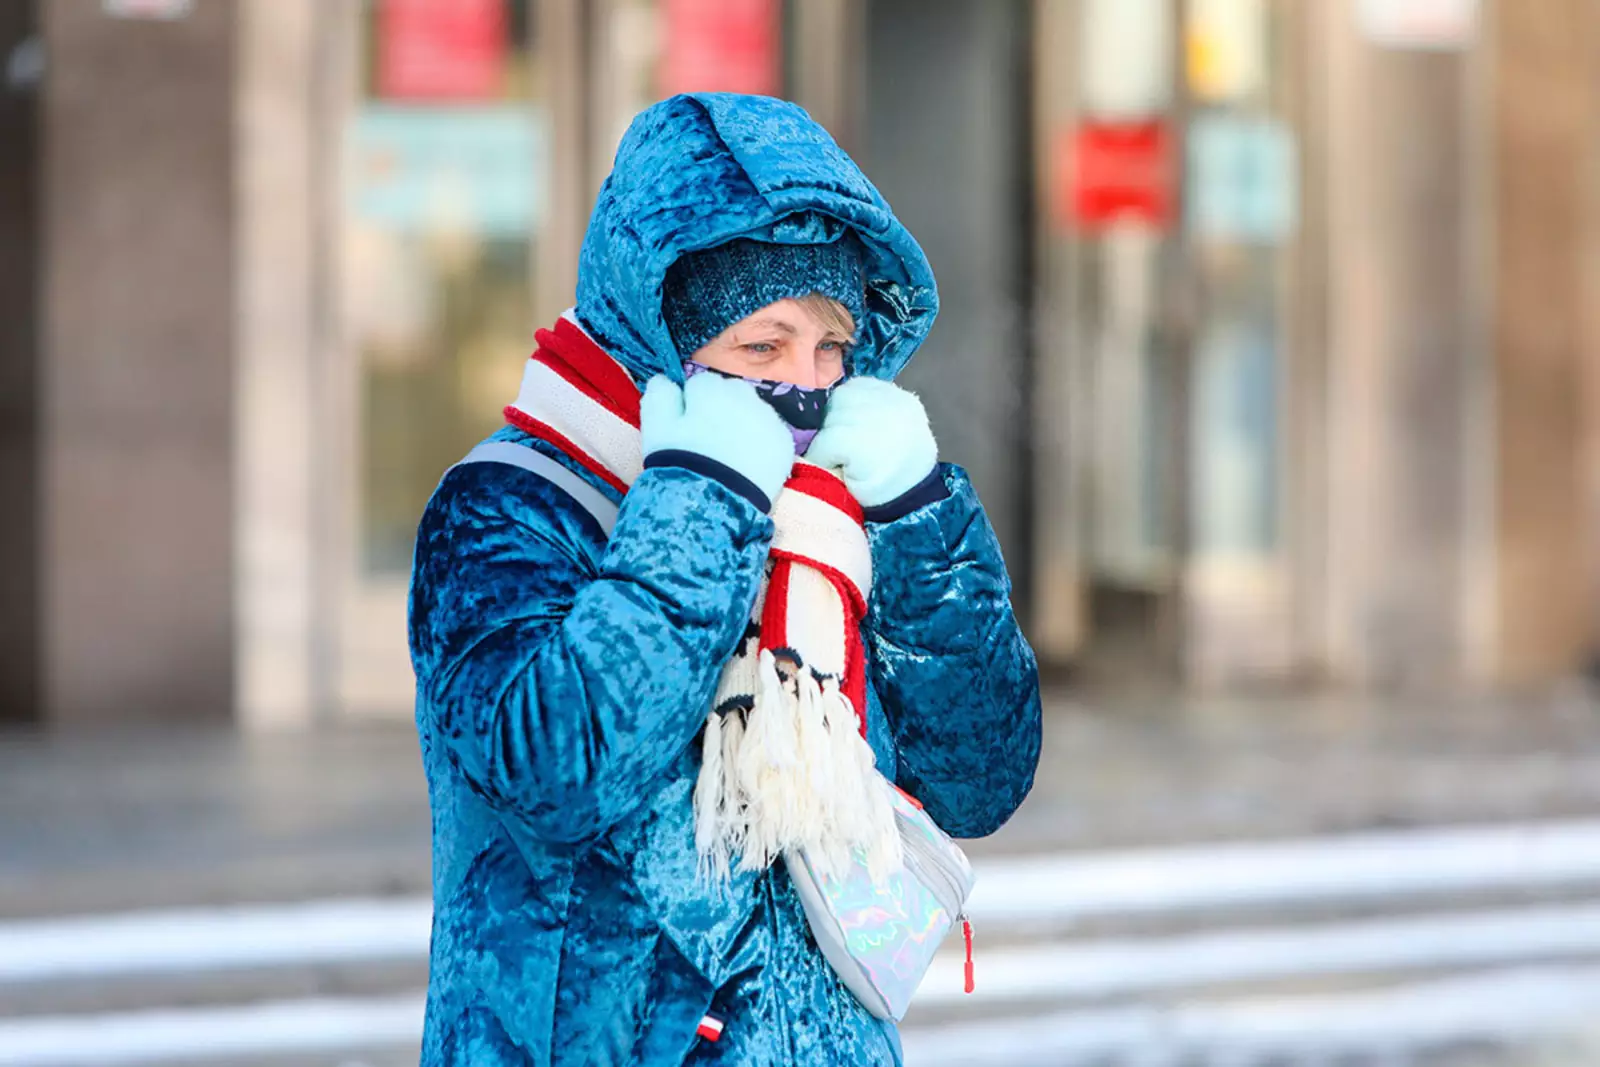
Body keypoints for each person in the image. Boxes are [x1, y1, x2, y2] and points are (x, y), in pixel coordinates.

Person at [409, 92, 1041, 1066]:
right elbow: (558, 768)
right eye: (761, 345)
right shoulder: (507, 507)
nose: (805, 382)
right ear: (660, 335)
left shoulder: (835, 518)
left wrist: (919, 512)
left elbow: (980, 775)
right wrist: (701, 493)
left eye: (830, 345)